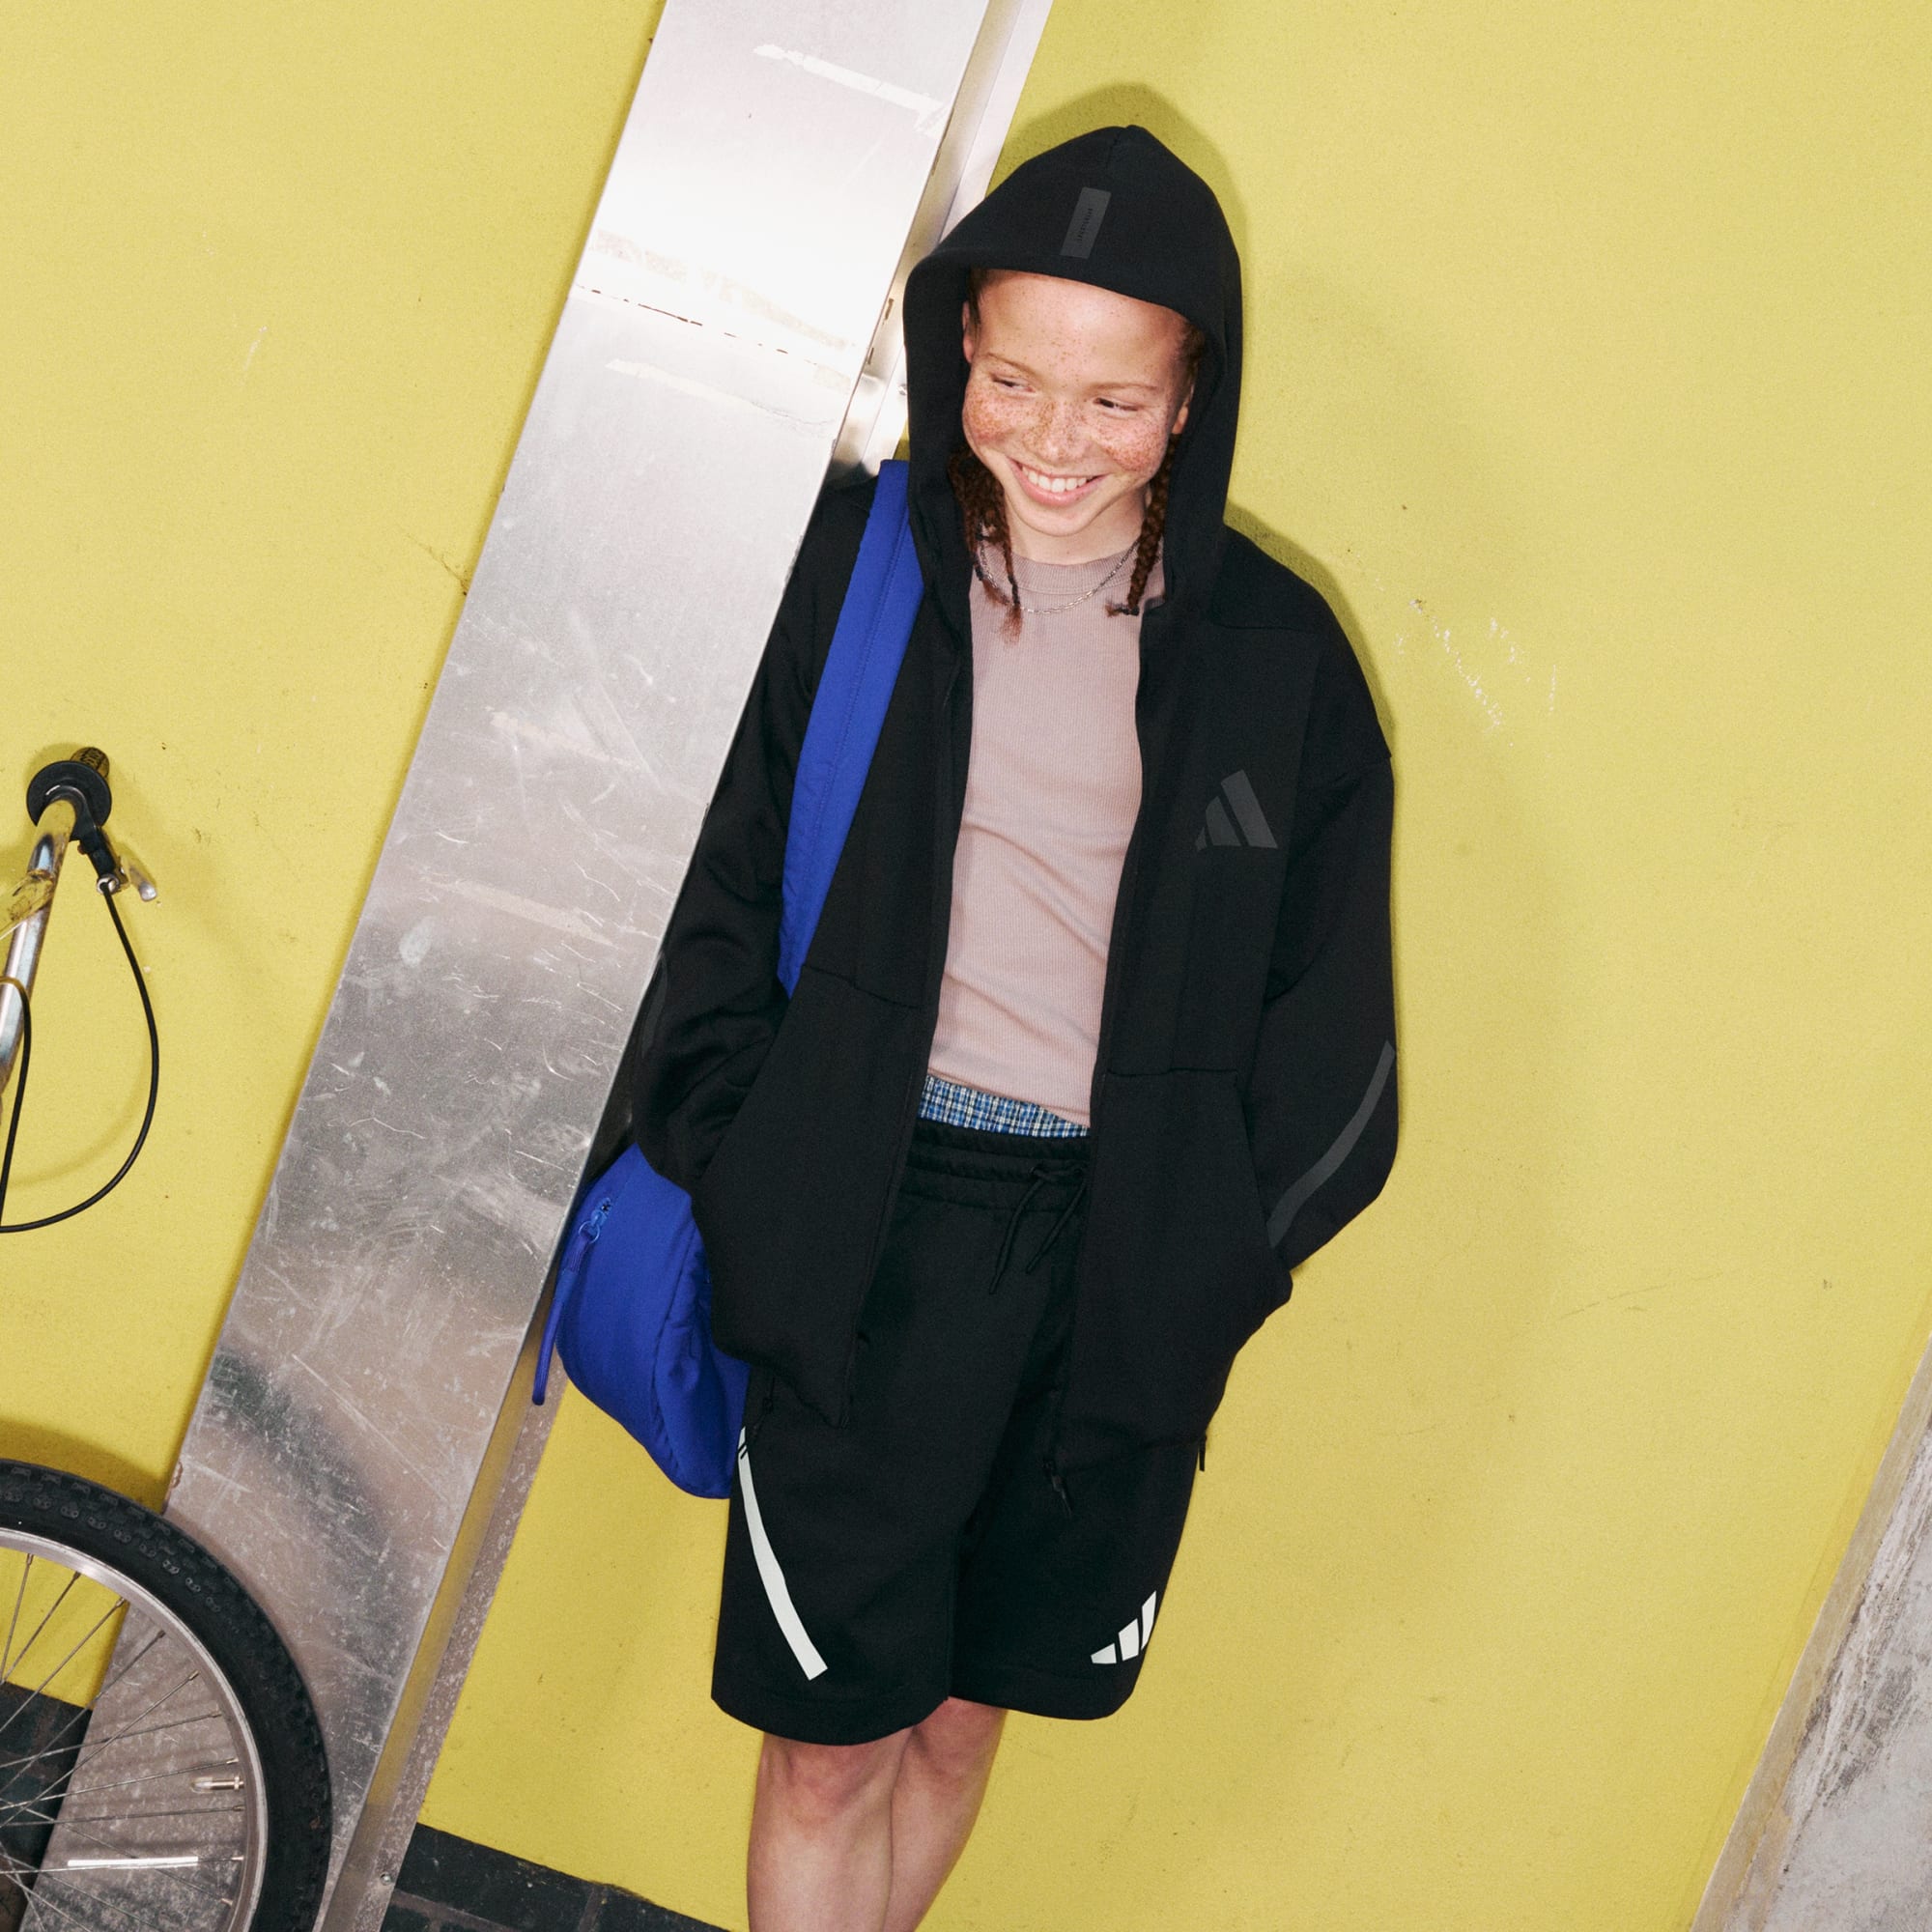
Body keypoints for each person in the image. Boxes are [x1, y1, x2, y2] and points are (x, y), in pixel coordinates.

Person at [632, 126, 1398, 1932]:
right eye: (1013, 380)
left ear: (1191, 398)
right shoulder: (851, 579)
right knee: (829, 1748)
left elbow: (1336, 1030)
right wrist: (751, 1158)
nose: (1057, 439)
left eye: (1115, 401)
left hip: (1123, 1264)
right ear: (956, 348)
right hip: (867, 1226)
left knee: (968, 1720)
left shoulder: (1276, 662)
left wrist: (1216, 1252)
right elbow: (702, 885)